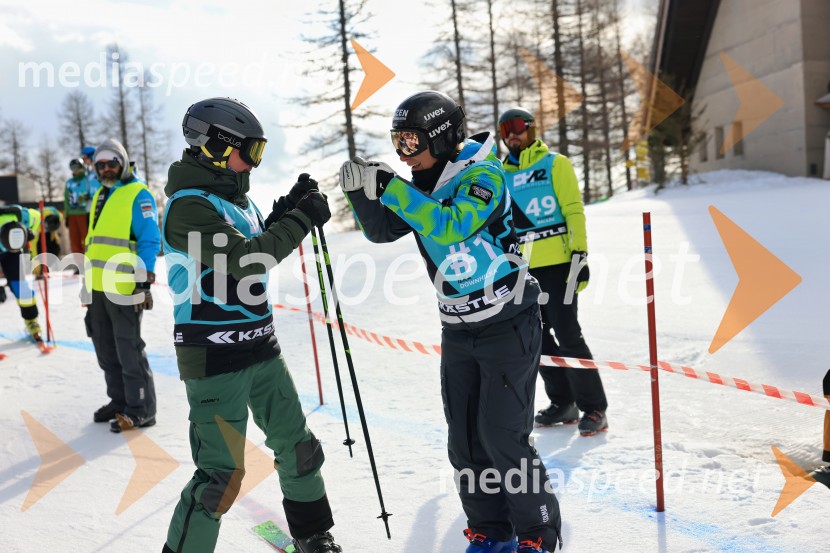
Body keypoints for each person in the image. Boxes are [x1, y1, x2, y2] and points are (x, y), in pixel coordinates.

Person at [340, 91, 562, 553]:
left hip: (508, 321)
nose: (404, 153)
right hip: (459, 327)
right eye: (397, 142)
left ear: (441, 138)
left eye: (411, 142)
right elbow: (384, 229)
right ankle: (489, 528)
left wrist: (392, 187)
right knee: (464, 439)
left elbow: (452, 224)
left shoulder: (483, 174)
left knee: (502, 436)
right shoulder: (421, 181)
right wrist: (360, 194)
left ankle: (538, 533)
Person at [160, 97, 341, 553]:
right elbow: (247, 260)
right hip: (215, 357)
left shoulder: (234, 201)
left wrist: (286, 209)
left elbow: (254, 242)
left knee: (298, 448)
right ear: (216, 147)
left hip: (261, 347)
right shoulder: (187, 208)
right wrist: (301, 220)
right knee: (220, 477)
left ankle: (313, 536)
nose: (255, 162)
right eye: (250, 150)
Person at [497, 107, 608, 436]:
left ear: (531, 129)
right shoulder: (499, 174)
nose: (511, 134)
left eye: (517, 127)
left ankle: (594, 407)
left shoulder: (554, 164)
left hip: (559, 264)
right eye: (506, 130)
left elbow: (573, 209)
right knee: (536, 338)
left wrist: (579, 255)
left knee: (568, 334)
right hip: (522, 269)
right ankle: (563, 403)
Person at [84, 138, 159, 433]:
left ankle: (141, 409)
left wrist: (144, 283)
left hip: (125, 287)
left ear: (123, 162)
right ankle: (119, 401)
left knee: (128, 348)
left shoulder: (138, 194)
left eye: (111, 162)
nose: (105, 168)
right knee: (104, 347)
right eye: (100, 164)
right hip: (98, 288)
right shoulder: (99, 196)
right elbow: (94, 244)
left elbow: (149, 241)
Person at [0, 204, 45, 342]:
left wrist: (30, 231)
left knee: (22, 288)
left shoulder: (19, 214)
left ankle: (32, 322)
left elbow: (37, 216)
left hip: (12, 252)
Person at [65, 158, 95, 255]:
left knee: (86, 238)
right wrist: (67, 215)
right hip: (72, 214)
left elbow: (93, 192)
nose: (76, 170)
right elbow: (66, 199)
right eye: (73, 168)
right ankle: (79, 263)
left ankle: (89, 260)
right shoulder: (69, 183)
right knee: (74, 239)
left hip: (85, 213)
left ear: (82, 168)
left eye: (78, 167)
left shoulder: (87, 179)